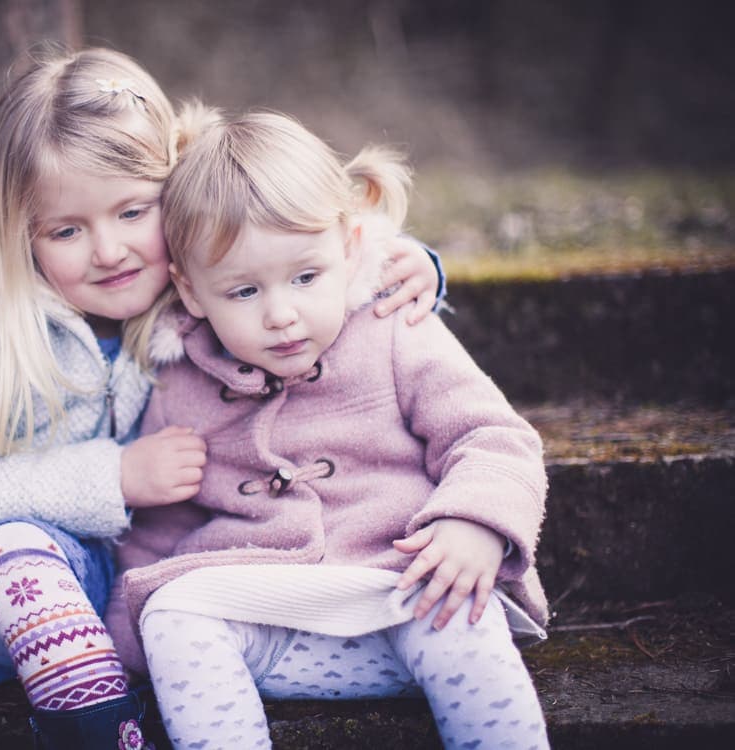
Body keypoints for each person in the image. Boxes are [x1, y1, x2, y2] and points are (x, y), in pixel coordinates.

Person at [0, 49, 446, 749]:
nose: (108, 250)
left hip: (48, 579)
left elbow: (290, 247)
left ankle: (96, 728)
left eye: (132, 210)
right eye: (66, 230)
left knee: (15, 552)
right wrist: (113, 475)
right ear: (17, 234)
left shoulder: (195, 290)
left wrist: (399, 262)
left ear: (171, 195)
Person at [107, 111, 551, 750]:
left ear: (348, 246)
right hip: (269, 628)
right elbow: (160, 531)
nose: (281, 315)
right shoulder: (182, 383)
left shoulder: (395, 328)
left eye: (305, 278)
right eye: (242, 292)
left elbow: (491, 435)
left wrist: (475, 523)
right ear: (192, 292)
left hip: (399, 597)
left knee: (460, 608)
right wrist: (134, 636)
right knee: (172, 610)